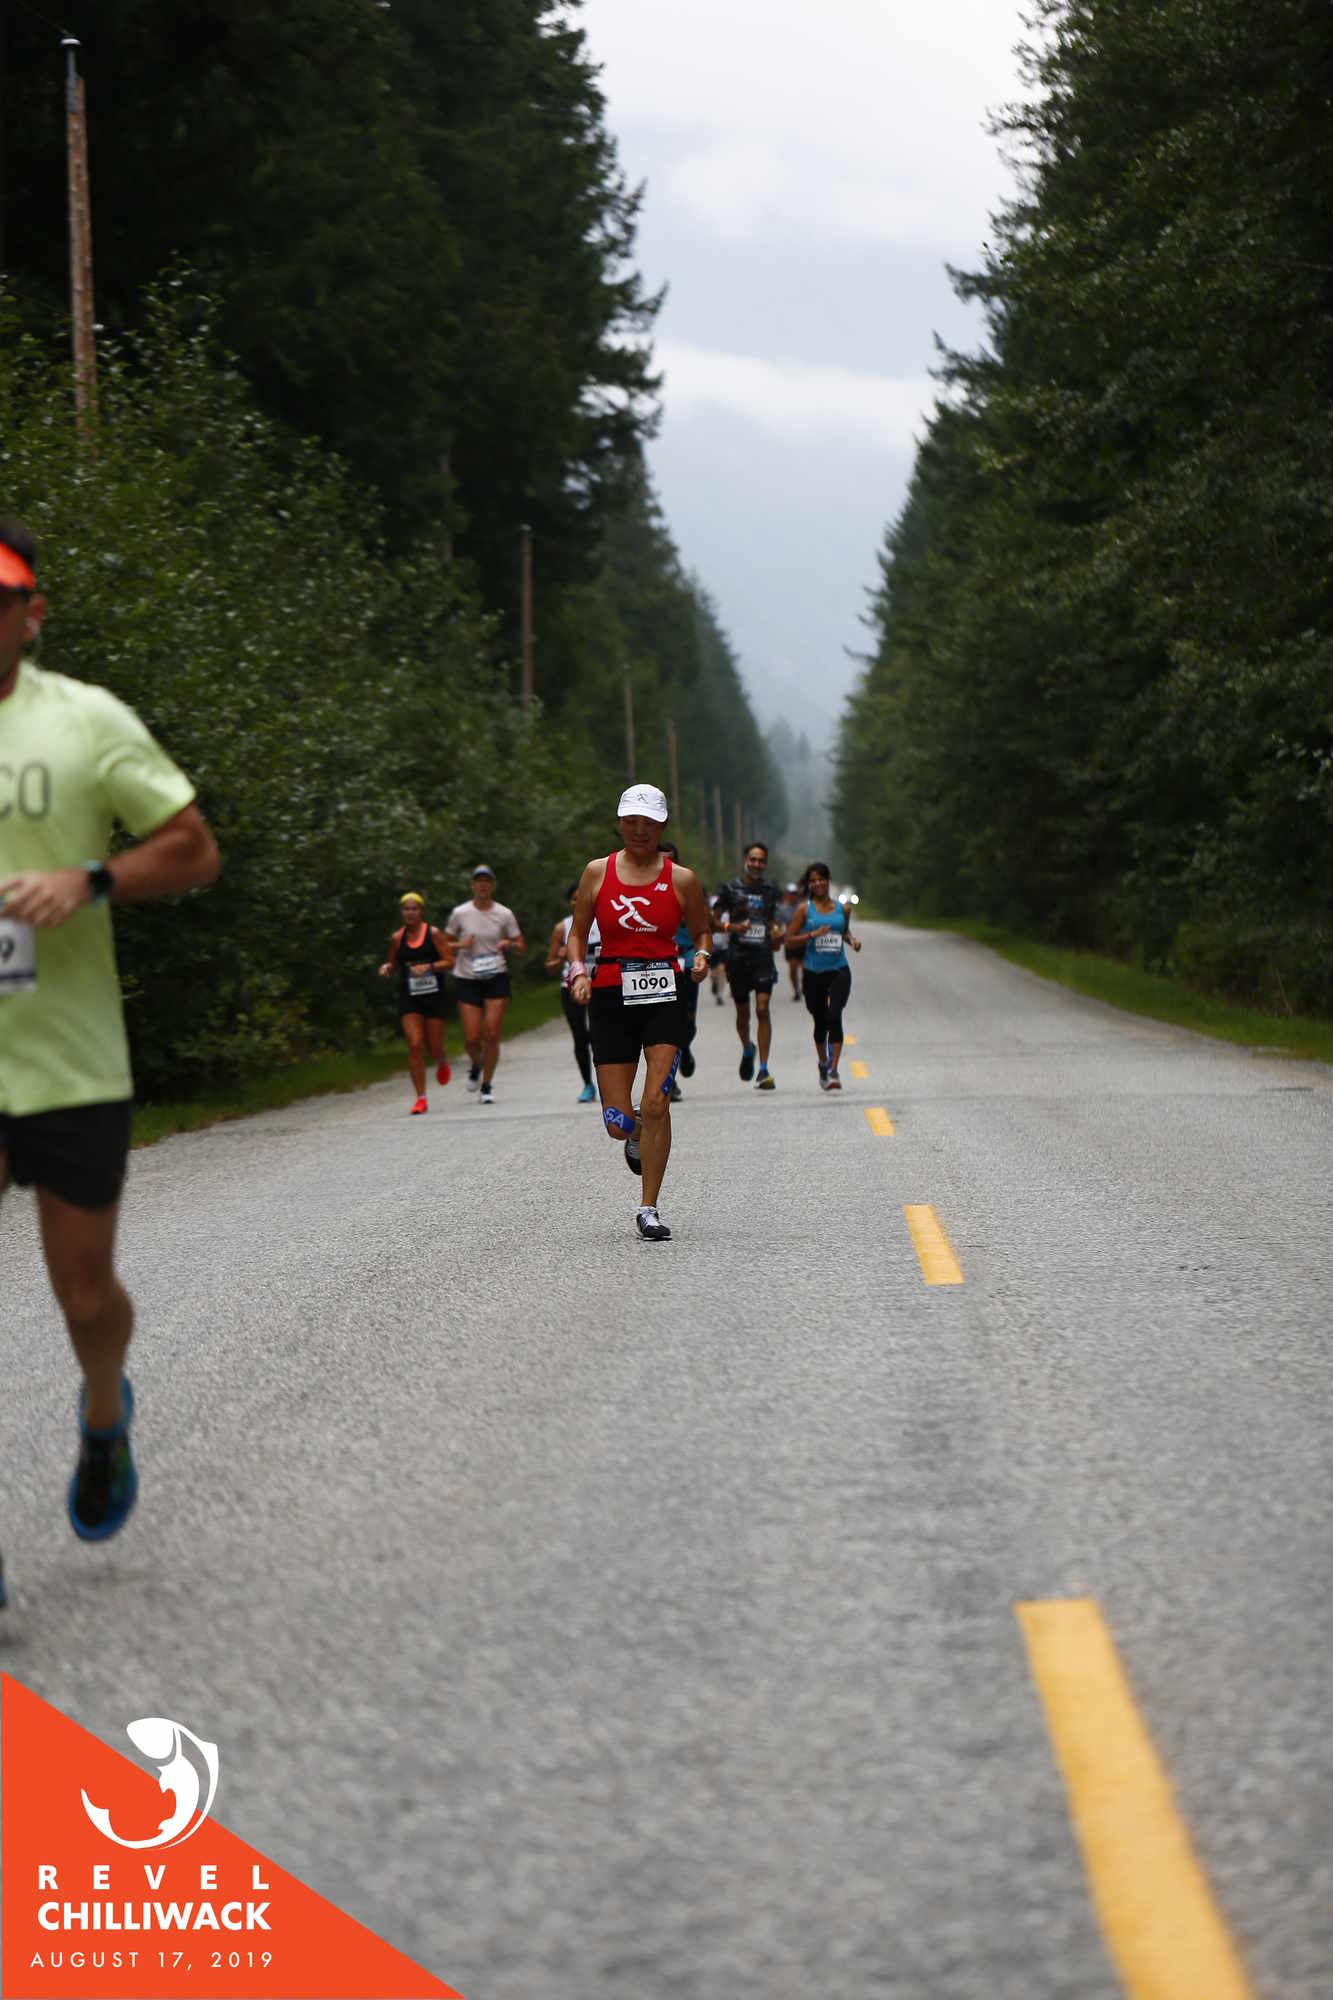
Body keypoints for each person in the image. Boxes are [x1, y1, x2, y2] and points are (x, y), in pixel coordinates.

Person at [0, 518, 220, 1590]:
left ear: (32, 612)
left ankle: (103, 1409)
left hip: (70, 1060)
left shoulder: (85, 721)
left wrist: (88, 880)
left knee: (84, 1296)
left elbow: (193, 846)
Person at [566, 784, 711, 1242]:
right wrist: (578, 973)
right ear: (620, 824)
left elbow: (702, 932)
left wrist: (702, 956)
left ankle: (648, 1207)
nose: (639, 830)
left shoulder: (682, 880)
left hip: (664, 994)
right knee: (618, 1122)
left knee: (656, 1103)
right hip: (611, 996)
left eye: (648, 823)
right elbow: (576, 934)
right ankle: (634, 1132)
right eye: (631, 822)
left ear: (662, 826)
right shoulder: (597, 872)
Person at [446, 865, 524, 1105]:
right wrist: (461, 945)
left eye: (487, 881)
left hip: (495, 976)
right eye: (478, 881)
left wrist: (509, 944)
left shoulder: (504, 913)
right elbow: (443, 944)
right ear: (472, 885)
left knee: (491, 1033)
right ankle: (477, 1064)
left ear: (492, 885)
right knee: (471, 1039)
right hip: (467, 977)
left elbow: (520, 945)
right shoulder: (460, 913)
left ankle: (487, 1085)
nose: (482, 885)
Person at [785, 860, 861, 1090]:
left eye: (821, 879)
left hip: (838, 970)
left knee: (834, 1015)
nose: (817, 883)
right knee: (820, 1021)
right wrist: (812, 935)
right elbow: (789, 940)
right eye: (813, 880)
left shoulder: (843, 909)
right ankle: (822, 1062)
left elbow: (843, 932)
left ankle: (834, 1070)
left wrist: (852, 941)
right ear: (809, 884)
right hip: (813, 972)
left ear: (828, 880)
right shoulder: (804, 910)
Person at [716, 841, 783, 1089]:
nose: (757, 864)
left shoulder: (770, 889)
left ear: (765, 864)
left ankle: (764, 1070)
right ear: (746, 860)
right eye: (753, 859)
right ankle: (747, 1048)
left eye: (761, 860)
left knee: (763, 1008)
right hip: (738, 958)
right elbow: (712, 921)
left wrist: (776, 933)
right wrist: (732, 927)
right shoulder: (730, 888)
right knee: (742, 1013)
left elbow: (772, 920)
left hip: (763, 956)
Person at [378, 892, 454, 1114]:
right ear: (402, 912)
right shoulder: (397, 938)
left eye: (414, 909)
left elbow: (450, 961)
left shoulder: (434, 934)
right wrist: (387, 969)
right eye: (406, 909)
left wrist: (428, 967)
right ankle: (421, 1098)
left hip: (434, 995)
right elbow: (393, 964)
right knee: (414, 1044)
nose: (410, 913)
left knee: (433, 1047)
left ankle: (441, 1060)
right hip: (409, 996)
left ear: (421, 911)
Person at [545, 883, 598, 1103]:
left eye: (582, 897)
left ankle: (608, 1082)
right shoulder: (562, 928)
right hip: (571, 986)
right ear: (570, 902)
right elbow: (549, 967)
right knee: (580, 1037)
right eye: (574, 899)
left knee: (600, 1035)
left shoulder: (604, 922)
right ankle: (588, 1084)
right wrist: (560, 957)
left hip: (600, 984)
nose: (578, 902)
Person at [659, 841, 695, 1094]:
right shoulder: (643, 887)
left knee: (687, 1021)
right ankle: (669, 1081)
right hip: (660, 962)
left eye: (670, 860)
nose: (665, 865)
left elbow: (704, 926)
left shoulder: (687, 886)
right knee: (665, 1022)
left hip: (687, 959)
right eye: (661, 860)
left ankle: (685, 1047)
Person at [780, 880, 805, 1001]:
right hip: (791, 942)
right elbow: (778, 925)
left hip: (804, 941)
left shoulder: (803, 907)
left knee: (805, 968)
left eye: (794, 893)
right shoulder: (783, 909)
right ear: (787, 894)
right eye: (790, 893)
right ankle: (796, 991)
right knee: (793, 967)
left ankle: (806, 988)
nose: (792, 895)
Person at [708, 894, 729, 1004]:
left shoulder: (726, 917)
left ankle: (720, 994)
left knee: (722, 970)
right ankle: (714, 984)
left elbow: (730, 930)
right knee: (713, 974)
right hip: (712, 949)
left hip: (723, 948)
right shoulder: (709, 917)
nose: (718, 911)